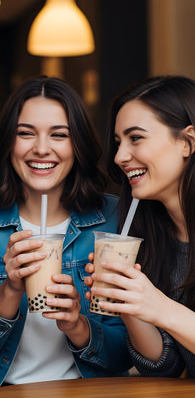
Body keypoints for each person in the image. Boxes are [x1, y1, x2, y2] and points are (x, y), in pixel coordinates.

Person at [0, 75, 132, 393]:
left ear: (78, 145)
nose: (42, 149)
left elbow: (123, 358)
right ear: (9, 142)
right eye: (25, 134)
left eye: (59, 135)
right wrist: (9, 291)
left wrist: (78, 325)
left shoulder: (113, 221)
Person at [85, 75, 195, 377]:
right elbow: (168, 368)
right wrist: (130, 303)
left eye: (136, 138)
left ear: (187, 142)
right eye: (118, 142)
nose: (120, 157)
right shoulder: (156, 236)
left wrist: (159, 307)